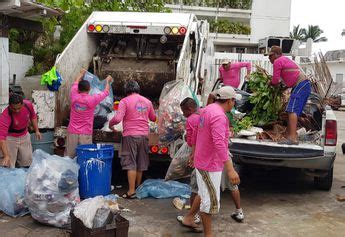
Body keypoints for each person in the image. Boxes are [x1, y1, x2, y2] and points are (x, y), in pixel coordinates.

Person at [181, 86, 241, 236]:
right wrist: (230, 169)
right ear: (229, 101)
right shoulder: (219, 116)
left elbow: (198, 133)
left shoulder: (207, 110)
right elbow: (219, 144)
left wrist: (194, 154)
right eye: (234, 101)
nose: (234, 104)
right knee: (210, 203)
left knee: (204, 193)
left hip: (203, 161)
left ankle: (188, 218)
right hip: (209, 164)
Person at [109, 80, 156, 199]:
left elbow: (118, 118)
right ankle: (138, 188)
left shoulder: (124, 101)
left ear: (126, 91)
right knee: (140, 162)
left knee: (131, 163)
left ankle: (131, 191)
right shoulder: (147, 101)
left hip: (130, 135)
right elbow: (153, 118)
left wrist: (111, 124)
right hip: (144, 136)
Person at [265, 45, 311, 145]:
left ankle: (292, 138)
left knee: (292, 110)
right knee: (294, 111)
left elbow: (275, 80)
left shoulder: (278, 61)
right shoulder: (284, 60)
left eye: (270, 56)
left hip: (301, 85)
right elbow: (287, 79)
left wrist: (269, 84)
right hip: (304, 85)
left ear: (276, 55)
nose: (269, 58)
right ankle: (290, 135)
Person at [66, 69, 113, 158]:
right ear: (89, 89)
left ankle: (69, 172)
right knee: (85, 158)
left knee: (69, 158)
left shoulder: (74, 95)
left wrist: (81, 73)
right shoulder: (92, 99)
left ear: (78, 89)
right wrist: (107, 81)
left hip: (72, 132)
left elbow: (76, 82)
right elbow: (106, 92)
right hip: (85, 133)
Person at [177, 97, 201, 224]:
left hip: (197, 155)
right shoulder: (203, 114)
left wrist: (192, 155)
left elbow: (192, 140)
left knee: (195, 188)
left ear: (190, 109)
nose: (183, 114)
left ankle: (193, 215)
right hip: (205, 155)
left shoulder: (192, 119)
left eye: (184, 111)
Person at [0, 93, 41, 168]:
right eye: (14, 109)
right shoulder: (5, 116)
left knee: (27, 162)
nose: (17, 111)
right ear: (9, 106)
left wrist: (37, 130)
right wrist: (6, 155)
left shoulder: (28, 105)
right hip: (10, 138)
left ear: (22, 104)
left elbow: (33, 116)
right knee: (8, 165)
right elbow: (2, 138)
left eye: (19, 108)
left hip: (24, 135)